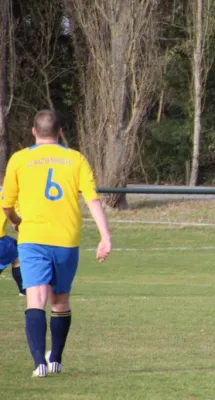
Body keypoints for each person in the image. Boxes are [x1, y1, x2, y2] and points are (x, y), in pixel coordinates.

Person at [1, 110, 112, 378]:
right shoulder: (75, 159)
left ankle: (39, 362)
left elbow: (6, 205)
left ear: (33, 132)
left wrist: (16, 220)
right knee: (60, 301)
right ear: (60, 131)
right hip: (66, 239)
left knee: (35, 299)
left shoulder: (19, 159)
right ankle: (57, 359)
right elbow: (93, 199)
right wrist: (105, 237)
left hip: (33, 238)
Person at [0, 187, 24, 296]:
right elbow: (18, 213)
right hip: (1, 241)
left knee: (14, 252)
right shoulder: (8, 193)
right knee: (16, 257)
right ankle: (23, 290)